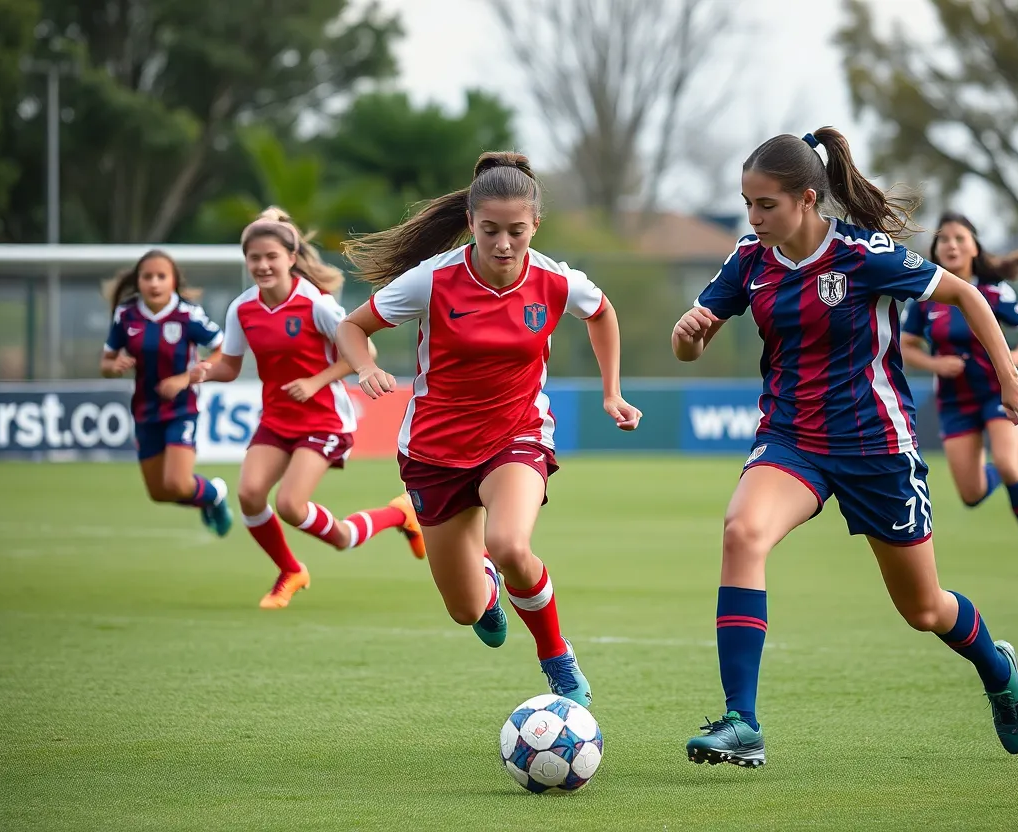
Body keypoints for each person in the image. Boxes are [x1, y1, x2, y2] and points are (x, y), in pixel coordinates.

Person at [673, 130, 1018, 767]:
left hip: (878, 447)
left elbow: (965, 294)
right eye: (747, 204)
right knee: (742, 533)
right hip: (792, 439)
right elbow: (690, 346)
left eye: (765, 205)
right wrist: (690, 336)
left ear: (806, 199)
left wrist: (1010, 379)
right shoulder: (748, 260)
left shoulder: (864, 255)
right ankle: (743, 722)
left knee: (924, 608)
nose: (753, 218)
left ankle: (997, 670)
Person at [335, 152, 641, 709]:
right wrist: (365, 367)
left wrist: (611, 392)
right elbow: (351, 327)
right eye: (490, 230)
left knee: (508, 543)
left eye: (516, 231)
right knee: (466, 611)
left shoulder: (553, 279)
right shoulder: (433, 279)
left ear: (535, 227)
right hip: (433, 451)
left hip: (516, 435)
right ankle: (487, 588)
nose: (504, 244)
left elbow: (602, 313)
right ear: (471, 222)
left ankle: (556, 656)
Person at [189, 208, 425, 610]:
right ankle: (290, 570)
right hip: (278, 418)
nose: (262, 265)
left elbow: (363, 350)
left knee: (291, 507)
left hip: (324, 418)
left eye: (271, 257)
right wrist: (200, 373)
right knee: (249, 495)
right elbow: (228, 366)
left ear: (291, 258)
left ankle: (398, 514)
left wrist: (316, 381)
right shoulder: (241, 309)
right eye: (254, 258)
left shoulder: (315, 303)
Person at [900, 212, 1018, 579]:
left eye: (959, 238)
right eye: (944, 239)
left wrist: (1011, 362)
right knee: (971, 494)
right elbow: (905, 347)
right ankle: (1014, 464)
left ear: (974, 246)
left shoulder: (994, 291)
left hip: (998, 396)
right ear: (935, 249)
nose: (951, 244)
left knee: (1006, 462)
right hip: (954, 402)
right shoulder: (923, 296)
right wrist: (936, 365)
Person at [101, 250, 232, 535]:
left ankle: (216, 494)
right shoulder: (126, 315)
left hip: (181, 409)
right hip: (145, 411)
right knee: (159, 493)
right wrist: (114, 366)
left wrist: (185, 378)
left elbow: (223, 351)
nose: (155, 283)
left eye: (162, 276)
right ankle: (208, 499)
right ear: (138, 281)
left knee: (177, 483)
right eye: (148, 277)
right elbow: (106, 362)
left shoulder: (188, 314)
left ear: (174, 281)